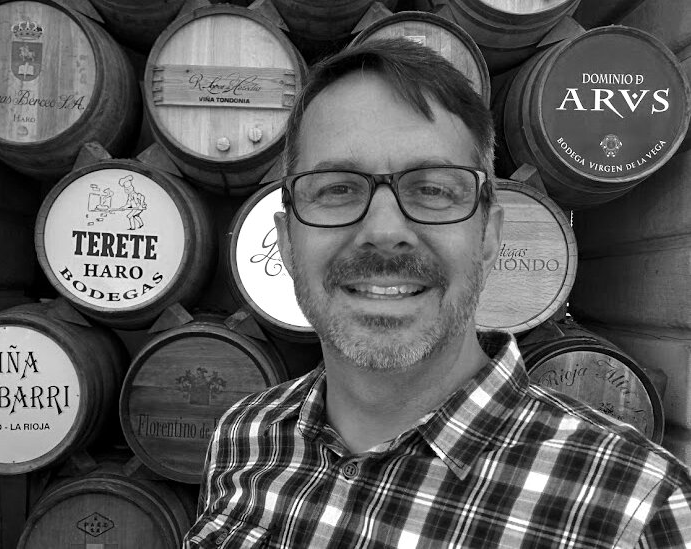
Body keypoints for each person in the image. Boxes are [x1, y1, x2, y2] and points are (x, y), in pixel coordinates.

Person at [184, 38, 691, 548]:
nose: (384, 231)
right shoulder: (243, 437)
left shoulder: (640, 509)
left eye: (432, 189)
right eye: (337, 188)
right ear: (287, 241)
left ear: (488, 237)